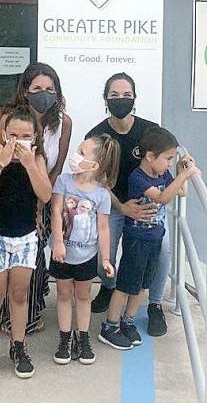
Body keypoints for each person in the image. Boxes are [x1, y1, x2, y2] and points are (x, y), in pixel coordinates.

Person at [98, 127, 200, 349]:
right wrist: (184, 174)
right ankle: (110, 327)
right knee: (126, 286)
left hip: (155, 238)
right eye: (168, 159)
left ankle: (128, 321)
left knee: (144, 285)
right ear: (150, 156)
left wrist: (182, 170)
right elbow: (163, 198)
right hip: (137, 241)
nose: (170, 164)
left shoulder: (163, 174)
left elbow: (181, 192)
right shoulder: (138, 178)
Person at [86, 72, 171, 337]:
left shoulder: (150, 130)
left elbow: (167, 158)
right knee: (105, 256)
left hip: (148, 206)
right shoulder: (97, 135)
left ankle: (155, 305)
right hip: (113, 205)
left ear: (134, 98)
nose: (120, 100)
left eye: (126, 95)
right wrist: (122, 207)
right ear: (105, 99)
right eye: (114, 95)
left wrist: (182, 168)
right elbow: (97, 179)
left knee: (163, 251)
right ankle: (109, 286)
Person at [0, 62, 72, 334]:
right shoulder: (9, 119)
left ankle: (32, 310)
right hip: (8, 196)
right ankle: (4, 312)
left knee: (35, 254)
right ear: (25, 91)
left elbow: (58, 166)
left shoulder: (63, 123)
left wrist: (40, 206)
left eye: (50, 89)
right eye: (37, 88)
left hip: (41, 192)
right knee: (6, 258)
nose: (44, 94)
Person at [0, 108, 51, 383]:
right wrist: (0, 163)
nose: (19, 140)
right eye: (14, 135)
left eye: (26, 136)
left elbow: (45, 194)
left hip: (25, 238)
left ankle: (19, 347)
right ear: (5, 135)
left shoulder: (37, 159)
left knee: (19, 295)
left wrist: (30, 164)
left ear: (35, 138)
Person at [49, 134, 119, 365]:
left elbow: (103, 228)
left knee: (83, 296)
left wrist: (106, 259)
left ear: (95, 164)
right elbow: (56, 213)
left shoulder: (102, 193)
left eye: (82, 153)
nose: (75, 156)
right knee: (63, 295)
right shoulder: (63, 181)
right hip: (62, 253)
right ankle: (64, 338)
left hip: (86, 256)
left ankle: (83, 337)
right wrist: (58, 242)